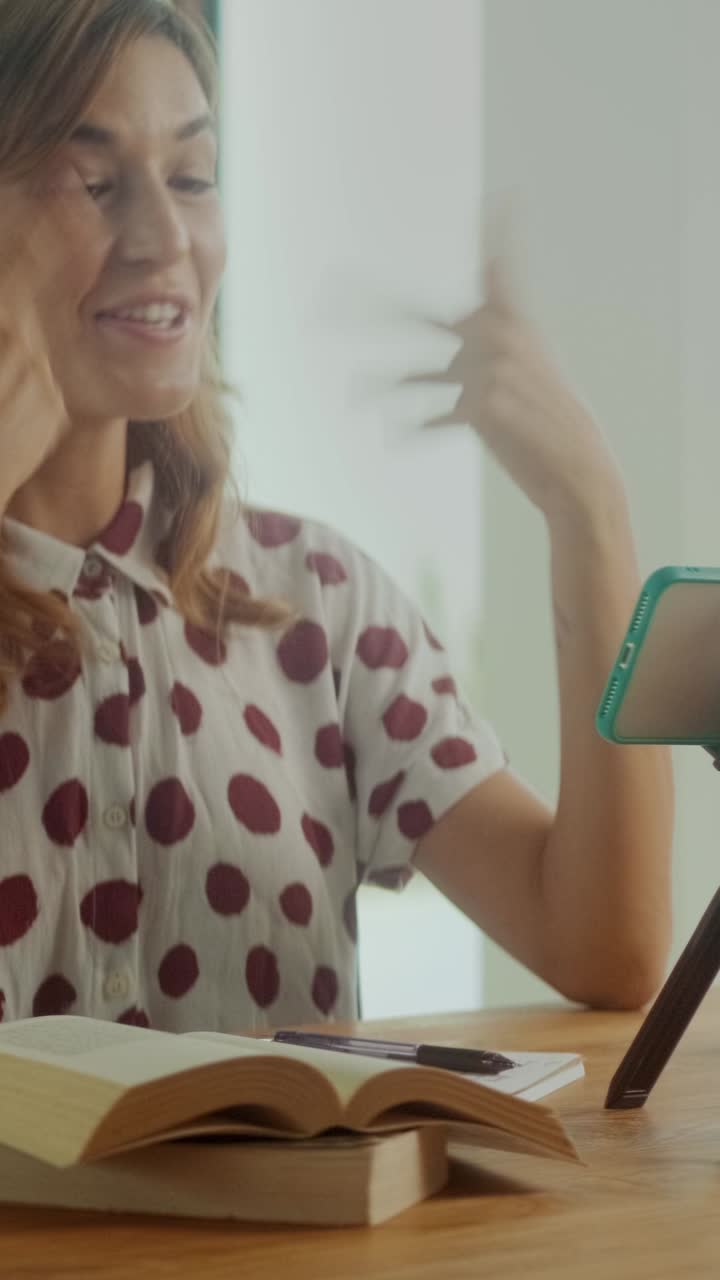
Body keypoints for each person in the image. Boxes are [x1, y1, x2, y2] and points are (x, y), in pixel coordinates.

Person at [0, 0, 673, 1034]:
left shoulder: (317, 605)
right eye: (96, 184)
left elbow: (606, 946)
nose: (167, 237)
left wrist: (589, 509)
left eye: (192, 177)